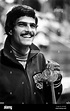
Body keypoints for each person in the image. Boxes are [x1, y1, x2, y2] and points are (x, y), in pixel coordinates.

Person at [0, 5, 62, 104]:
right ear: (10, 30)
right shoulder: (1, 62)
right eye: (22, 24)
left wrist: (56, 80)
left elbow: (48, 99)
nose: (29, 30)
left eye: (32, 26)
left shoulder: (40, 58)